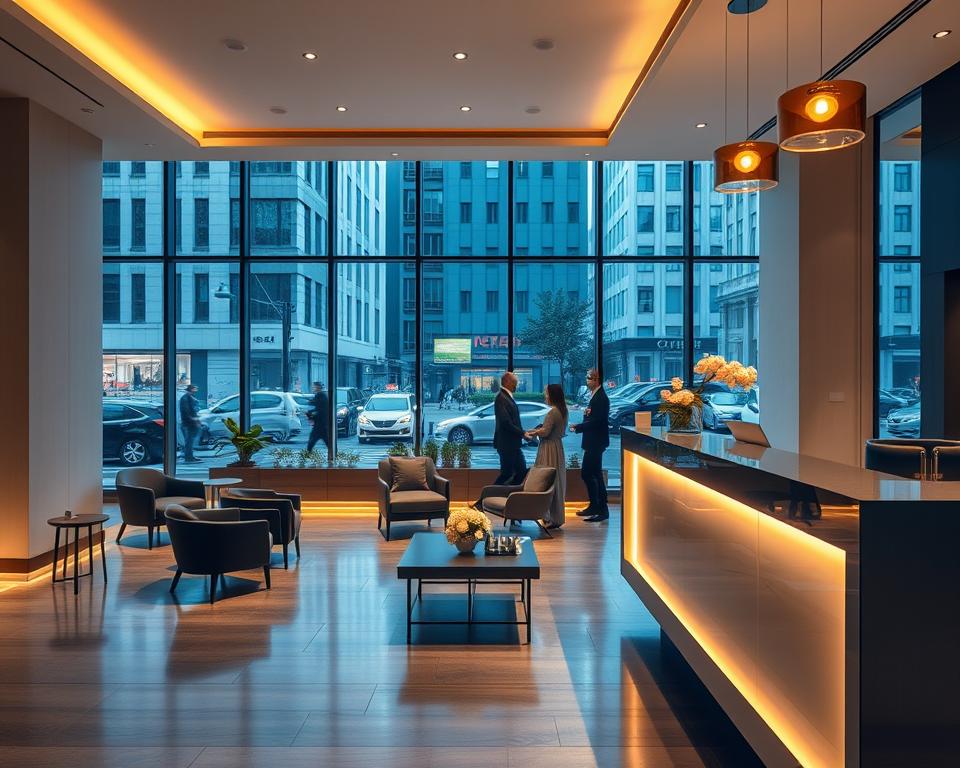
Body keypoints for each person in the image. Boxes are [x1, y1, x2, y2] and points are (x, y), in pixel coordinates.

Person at [524, 383, 568, 529]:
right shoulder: (563, 411)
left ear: (552, 395)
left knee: (546, 481)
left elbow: (546, 432)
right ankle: (556, 516)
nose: (545, 396)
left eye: (547, 393)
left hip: (548, 448)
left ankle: (548, 516)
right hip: (557, 448)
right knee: (557, 481)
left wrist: (533, 432)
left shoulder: (552, 412)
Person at [570, 368, 610, 521]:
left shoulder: (600, 398)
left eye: (589, 378)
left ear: (597, 379)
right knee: (592, 473)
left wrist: (579, 427)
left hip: (596, 442)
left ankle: (601, 508)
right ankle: (595, 505)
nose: (587, 381)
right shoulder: (594, 396)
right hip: (592, 441)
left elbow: (597, 421)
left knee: (590, 474)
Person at [179, 384, 201, 463]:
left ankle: (190, 456)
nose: (196, 390)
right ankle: (189, 457)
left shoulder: (189, 397)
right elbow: (187, 411)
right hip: (188, 423)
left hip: (189, 422)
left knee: (190, 441)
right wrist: (194, 420)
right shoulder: (185, 398)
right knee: (189, 441)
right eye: (195, 389)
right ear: (191, 389)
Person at [306, 381, 329, 453]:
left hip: (320, 424)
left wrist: (310, 415)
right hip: (322, 424)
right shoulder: (322, 395)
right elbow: (318, 408)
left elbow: (320, 410)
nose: (313, 388)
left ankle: (307, 455)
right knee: (326, 441)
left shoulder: (320, 395)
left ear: (318, 387)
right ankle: (334, 454)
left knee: (312, 441)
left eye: (314, 386)